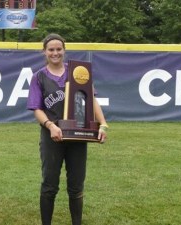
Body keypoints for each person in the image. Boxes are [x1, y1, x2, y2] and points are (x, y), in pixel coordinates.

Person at [27, 33, 108, 225]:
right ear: (44, 52)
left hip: (78, 135)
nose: (55, 53)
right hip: (52, 136)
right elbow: (36, 108)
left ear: (64, 50)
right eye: (51, 49)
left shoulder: (78, 72)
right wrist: (50, 125)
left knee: (76, 185)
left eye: (58, 49)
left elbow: (91, 100)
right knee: (49, 185)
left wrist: (103, 124)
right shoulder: (38, 77)